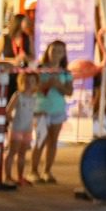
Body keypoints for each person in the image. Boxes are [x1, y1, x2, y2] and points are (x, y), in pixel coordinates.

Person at [29, 39, 74, 184]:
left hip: (58, 110)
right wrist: (48, 84)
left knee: (53, 141)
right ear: (48, 51)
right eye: (54, 50)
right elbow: (33, 88)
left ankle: (47, 171)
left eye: (60, 51)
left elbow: (69, 91)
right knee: (40, 140)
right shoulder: (40, 69)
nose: (56, 54)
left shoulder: (66, 72)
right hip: (41, 110)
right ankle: (33, 171)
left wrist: (59, 85)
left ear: (64, 54)